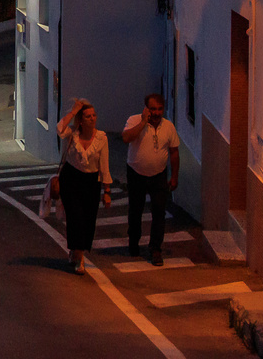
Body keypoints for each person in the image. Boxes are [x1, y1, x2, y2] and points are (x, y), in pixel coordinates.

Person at [53, 98, 112, 274]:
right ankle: (79, 258)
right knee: (76, 218)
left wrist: (107, 191)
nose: (92, 118)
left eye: (94, 115)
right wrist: (73, 111)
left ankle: (75, 251)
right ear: (80, 119)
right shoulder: (71, 133)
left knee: (87, 220)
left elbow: (105, 165)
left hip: (91, 182)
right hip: (71, 179)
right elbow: (59, 129)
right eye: (87, 116)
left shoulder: (101, 138)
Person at [121, 92, 181, 264]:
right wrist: (143, 122)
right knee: (135, 211)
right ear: (146, 108)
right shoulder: (134, 120)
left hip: (159, 175)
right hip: (136, 173)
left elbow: (174, 152)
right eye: (153, 109)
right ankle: (134, 243)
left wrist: (174, 176)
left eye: (159, 109)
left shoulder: (168, 126)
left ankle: (155, 249)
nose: (156, 112)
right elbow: (126, 138)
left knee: (159, 212)